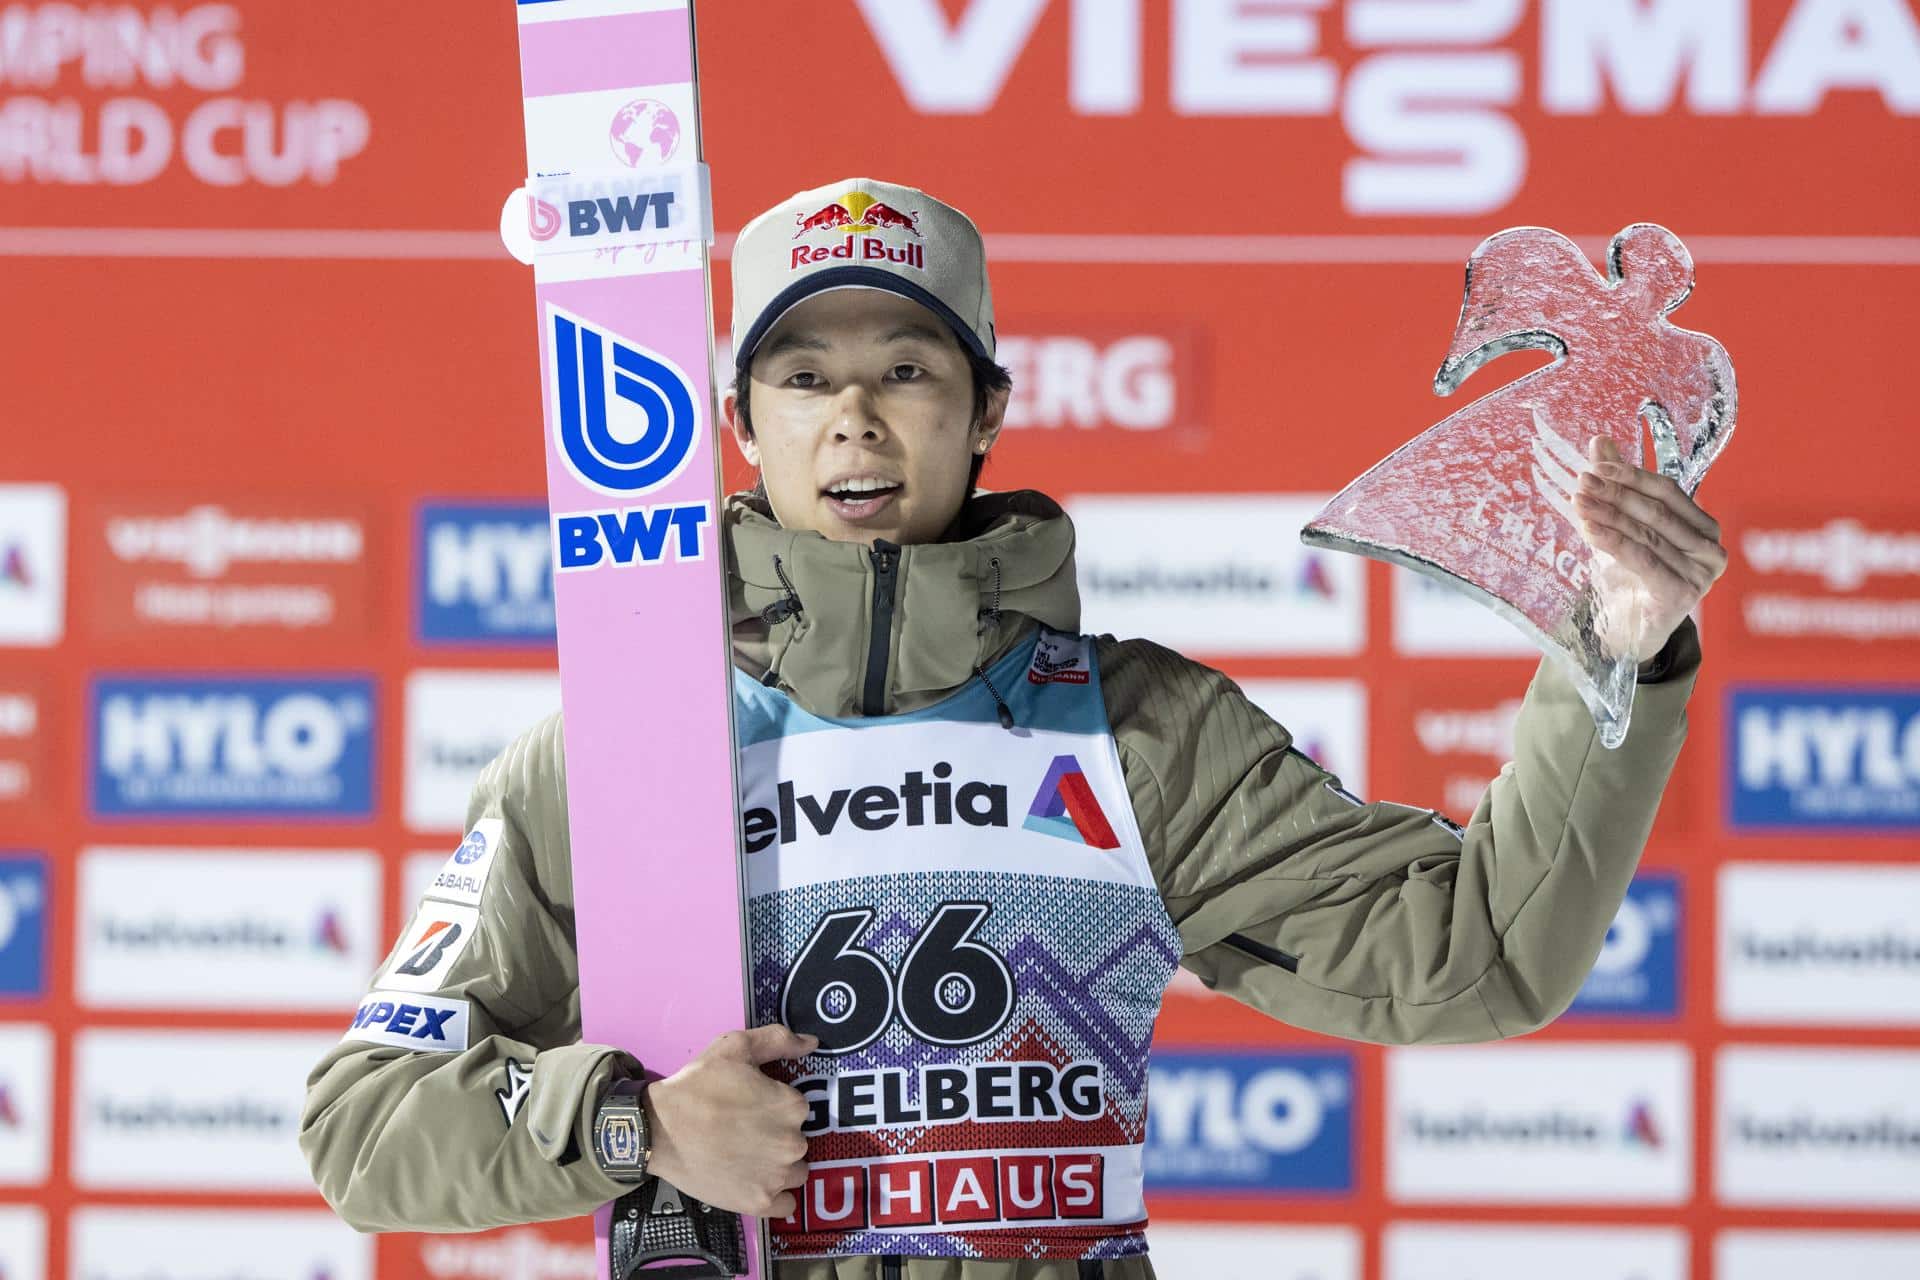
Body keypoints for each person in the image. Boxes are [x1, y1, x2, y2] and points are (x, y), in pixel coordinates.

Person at [301, 178, 1724, 1279]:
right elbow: (366, 1128)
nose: (855, 418)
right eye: (804, 379)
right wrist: (635, 1124)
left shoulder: (1137, 728)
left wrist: (1618, 649)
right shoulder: (621, 751)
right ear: (740, 423)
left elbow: (1475, 959)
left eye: (907, 370)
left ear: (987, 408)